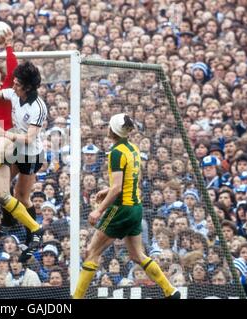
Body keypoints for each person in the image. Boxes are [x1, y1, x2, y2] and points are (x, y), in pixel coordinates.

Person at [73, 113, 180, 299]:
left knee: (92, 252)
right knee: (137, 255)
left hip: (121, 209)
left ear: (112, 130)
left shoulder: (115, 152)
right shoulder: (133, 149)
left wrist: (99, 210)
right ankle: (170, 290)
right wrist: (108, 189)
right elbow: (128, 181)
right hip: (136, 207)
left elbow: (117, 188)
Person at [0, 61, 47, 262]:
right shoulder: (14, 94)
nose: (12, 86)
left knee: (21, 196)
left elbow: (29, 138)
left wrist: (4, 133)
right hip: (14, 147)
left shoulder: (38, 107)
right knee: (1, 191)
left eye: (16, 84)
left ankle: (33, 235)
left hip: (30, 155)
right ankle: (8, 220)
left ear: (27, 87)